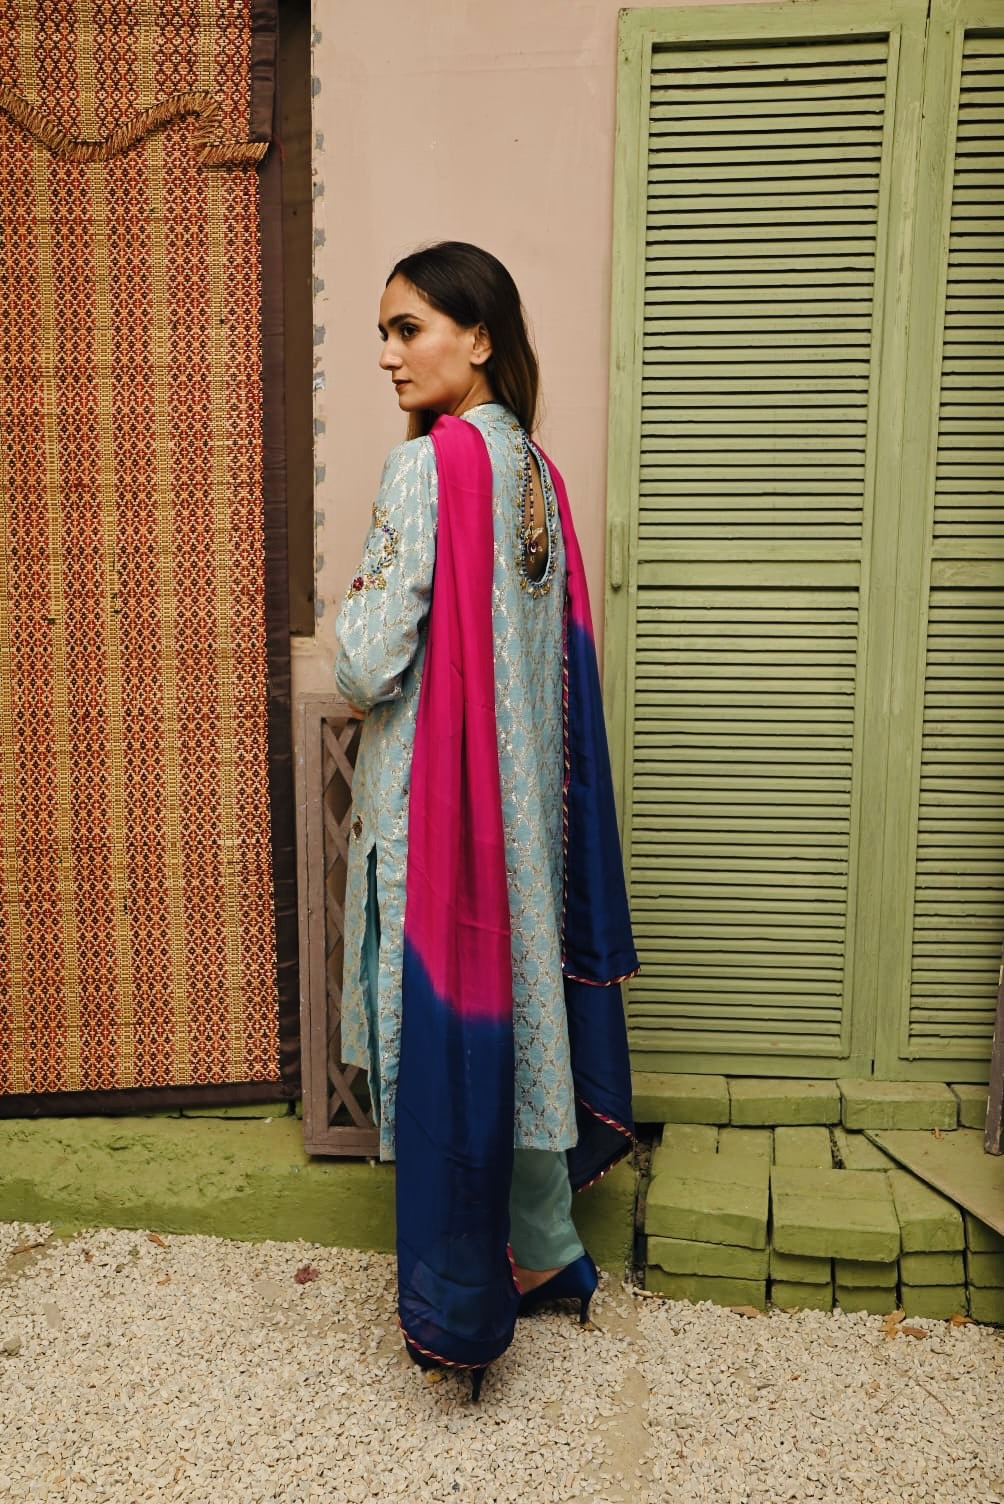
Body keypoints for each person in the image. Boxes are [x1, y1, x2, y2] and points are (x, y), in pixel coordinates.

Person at [334, 242, 636, 1401]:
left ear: (478, 336)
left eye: (407, 328)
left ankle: (458, 1295)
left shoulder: (427, 468)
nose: (387, 354)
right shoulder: (533, 473)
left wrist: (351, 610)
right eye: (383, 331)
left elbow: (366, 663)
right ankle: (549, 1252)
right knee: (514, 1027)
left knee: (448, 1050)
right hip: (521, 819)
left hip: (439, 817)